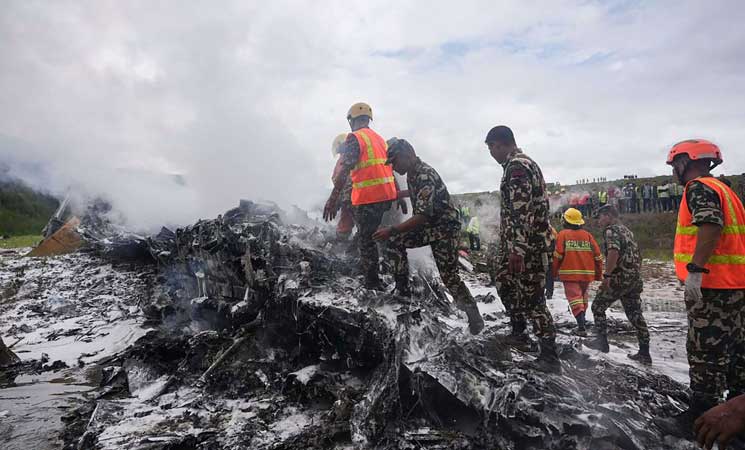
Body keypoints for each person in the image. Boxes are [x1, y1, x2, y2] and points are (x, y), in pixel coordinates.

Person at [655, 139, 745, 438]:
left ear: (685, 162)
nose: (673, 172)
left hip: (713, 287)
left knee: (705, 352)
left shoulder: (698, 187)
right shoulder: (727, 190)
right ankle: (735, 417)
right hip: (735, 286)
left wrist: (695, 271)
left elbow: (710, 224)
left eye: (674, 166)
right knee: (735, 353)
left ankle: (697, 420)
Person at [373, 138, 484, 334]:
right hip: (431, 226)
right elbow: (418, 193)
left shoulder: (425, 174)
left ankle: (475, 318)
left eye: (395, 162)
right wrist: (400, 195)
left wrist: (393, 229)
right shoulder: (413, 172)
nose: (393, 167)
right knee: (393, 242)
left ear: (407, 155)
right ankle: (402, 291)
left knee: (449, 276)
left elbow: (422, 215)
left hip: (444, 229)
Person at [485, 125, 560, 370]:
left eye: (491, 148)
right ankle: (519, 333)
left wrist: (518, 249)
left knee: (533, 299)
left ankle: (549, 356)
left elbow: (522, 211)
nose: (491, 154)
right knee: (503, 280)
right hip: (517, 244)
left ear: (500, 144)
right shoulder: (516, 165)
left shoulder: (517, 167)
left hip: (528, 246)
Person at [323, 102, 406, 290]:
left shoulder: (355, 138)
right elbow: (389, 168)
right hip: (386, 198)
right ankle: (402, 285)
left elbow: (345, 171)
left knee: (367, 242)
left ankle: (372, 284)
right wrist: (398, 195)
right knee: (389, 239)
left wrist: (332, 199)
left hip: (368, 199)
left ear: (352, 120)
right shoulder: (379, 139)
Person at [584, 205, 652, 364]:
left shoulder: (611, 231)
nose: (598, 221)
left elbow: (613, 252)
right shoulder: (627, 231)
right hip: (633, 278)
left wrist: (607, 275)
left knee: (597, 307)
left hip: (619, 278)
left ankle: (602, 343)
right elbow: (638, 254)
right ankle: (644, 351)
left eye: (600, 217)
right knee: (635, 313)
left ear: (608, 216)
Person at [552, 208, 603, 336]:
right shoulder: (587, 235)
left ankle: (581, 328)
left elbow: (557, 255)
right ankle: (582, 323)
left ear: (566, 220)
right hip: (587, 274)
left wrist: (553, 273)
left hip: (570, 274)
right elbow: (598, 256)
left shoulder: (563, 234)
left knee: (574, 299)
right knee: (583, 298)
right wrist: (598, 274)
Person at [330, 133, 355, 241]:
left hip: (349, 196)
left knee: (345, 223)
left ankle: (341, 241)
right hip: (353, 195)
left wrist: (336, 199)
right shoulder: (351, 156)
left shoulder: (345, 159)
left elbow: (342, 179)